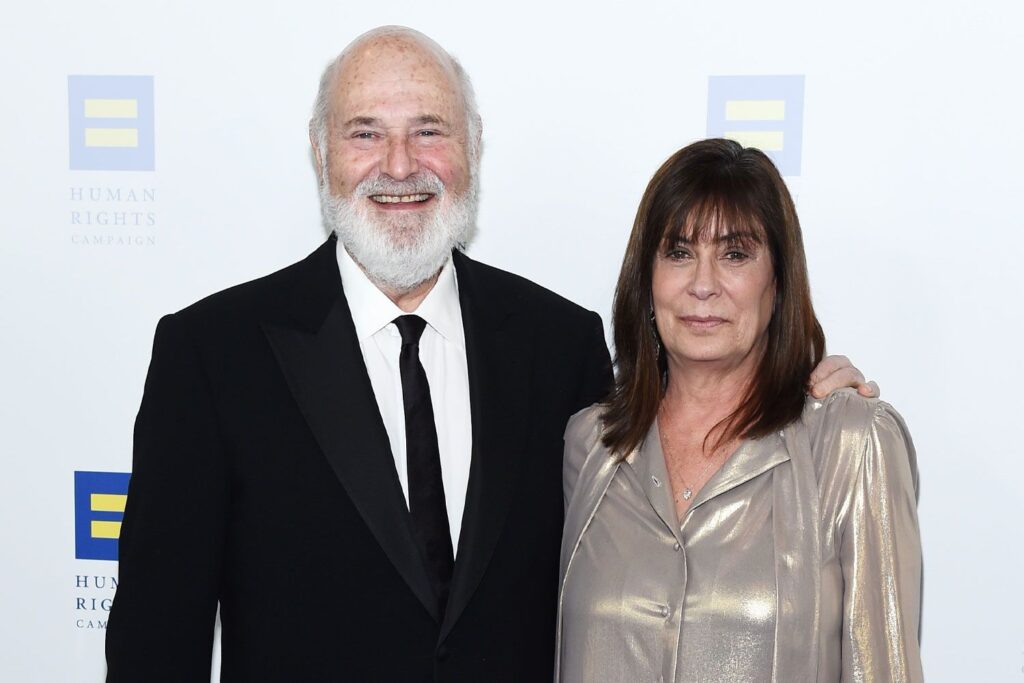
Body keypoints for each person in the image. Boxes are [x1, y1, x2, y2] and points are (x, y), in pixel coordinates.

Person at [105, 28, 875, 681]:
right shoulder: (213, 355)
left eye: (430, 130)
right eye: (366, 131)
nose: (400, 165)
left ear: (472, 148)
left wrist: (793, 390)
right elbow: (152, 647)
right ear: (321, 153)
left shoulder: (559, 344)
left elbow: (665, 495)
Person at [556, 139, 923, 682]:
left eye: (735, 254)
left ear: (777, 282)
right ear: (646, 281)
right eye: (679, 252)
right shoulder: (591, 445)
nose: (703, 285)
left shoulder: (849, 443)